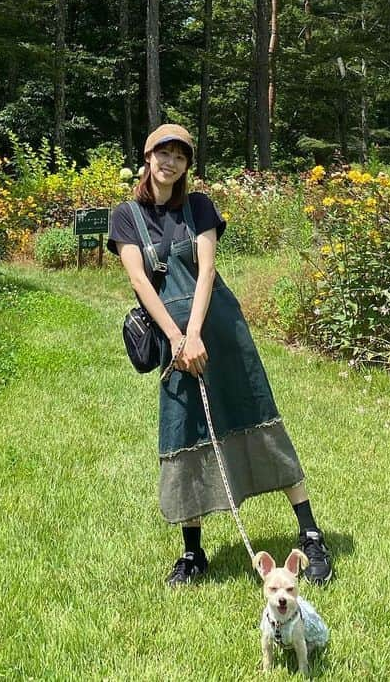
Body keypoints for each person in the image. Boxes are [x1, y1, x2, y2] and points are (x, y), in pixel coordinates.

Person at [108, 122, 333, 588]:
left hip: (222, 331)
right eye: (162, 153)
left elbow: (207, 270)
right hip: (174, 340)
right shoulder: (124, 216)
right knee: (184, 432)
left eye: (180, 156)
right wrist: (176, 339)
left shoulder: (200, 207)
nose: (169, 162)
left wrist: (194, 333)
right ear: (147, 158)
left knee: (258, 416)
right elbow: (138, 280)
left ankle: (311, 534)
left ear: (187, 165)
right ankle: (193, 554)